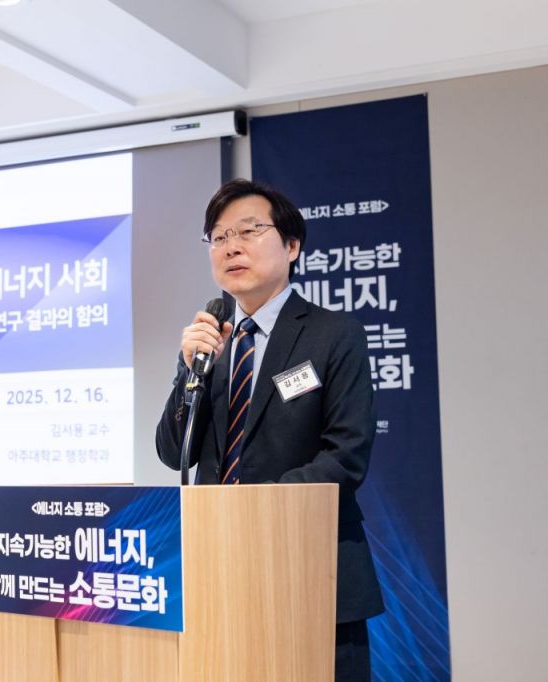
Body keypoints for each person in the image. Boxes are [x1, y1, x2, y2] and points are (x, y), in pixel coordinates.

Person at [156, 178, 385, 681]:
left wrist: (255, 513)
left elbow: (346, 455)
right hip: (217, 570)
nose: (231, 246)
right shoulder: (211, 343)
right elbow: (175, 453)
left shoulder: (333, 334)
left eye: (248, 231)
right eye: (219, 237)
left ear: (292, 246)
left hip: (311, 568)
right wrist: (187, 370)